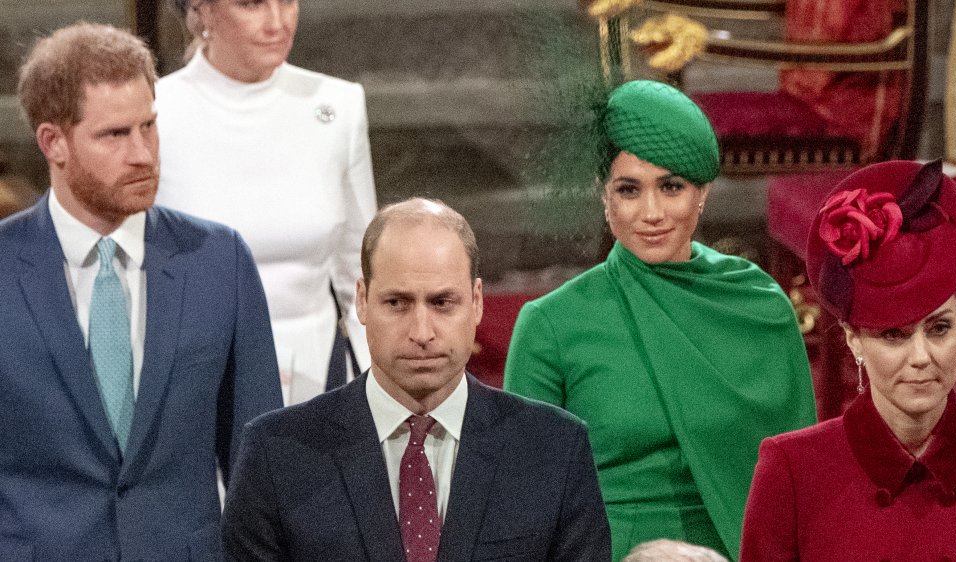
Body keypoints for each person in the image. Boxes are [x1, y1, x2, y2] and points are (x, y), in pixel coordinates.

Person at [0, 22, 282, 559]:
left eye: (148, 127)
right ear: (52, 142)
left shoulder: (219, 262)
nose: (143, 154)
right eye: (114, 135)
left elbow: (256, 463)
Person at [504, 79, 817, 561]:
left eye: (671, 187)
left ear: (702, 193)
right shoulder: (550, 326)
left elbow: (799, 483)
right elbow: (526, 512)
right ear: (603, 195)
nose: (651, 213)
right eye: (629, 190)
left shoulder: (757, 303)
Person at [223, 198, 612, 560]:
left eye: (442, 303)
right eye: (397, 303)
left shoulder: (556, 448)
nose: (422, 332)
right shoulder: (275, 454)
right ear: (362, 300)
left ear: (476, 301)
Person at [741, 159, 956, 561]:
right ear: (854, 341)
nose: (921, 357)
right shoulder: (791, 472)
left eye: (939, 329)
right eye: (893, 334)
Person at [156, 0, 377, 403]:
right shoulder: (155, 113)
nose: (278, 22)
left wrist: (380, 387)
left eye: (287, 1)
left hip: (317, 376)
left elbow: (361, 270)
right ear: (202, 11)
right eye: (251, 4)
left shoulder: (339, 105)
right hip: (192, 381)